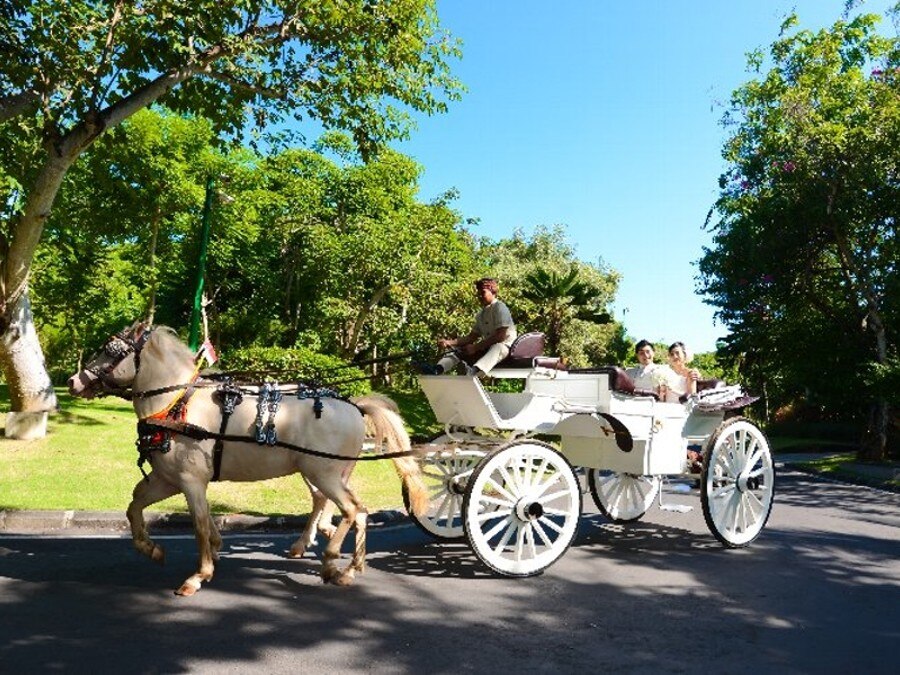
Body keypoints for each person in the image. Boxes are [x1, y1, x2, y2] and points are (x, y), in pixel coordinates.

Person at [421, 277, 517, 377]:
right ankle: (437, 369)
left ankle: (472, 372)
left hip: (506, 348)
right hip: (487, 348)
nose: (479, 296)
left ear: (492, 291)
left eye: (483, 292)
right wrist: (449, 342)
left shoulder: (500, 307)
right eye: (478, 293)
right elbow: (471, 337)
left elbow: (500, 336)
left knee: (498, 347)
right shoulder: (481, 314)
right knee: (459, 350)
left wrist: (475, 347)